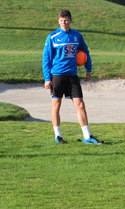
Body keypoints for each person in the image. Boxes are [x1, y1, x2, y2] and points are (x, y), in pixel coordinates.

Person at [42, 9, 103, 144]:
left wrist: (88, 69)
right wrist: (47, 78)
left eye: (66, 20)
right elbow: (46, 58)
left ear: (71, 21)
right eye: (61, 21)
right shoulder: (52, 37)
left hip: (72, 75)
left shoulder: (77, 36)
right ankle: (58, 136)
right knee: (56, 105)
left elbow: (84, 52)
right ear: (58, 21)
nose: (64, 23)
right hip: (57, 75)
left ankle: (87, 136)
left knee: (80, 104)